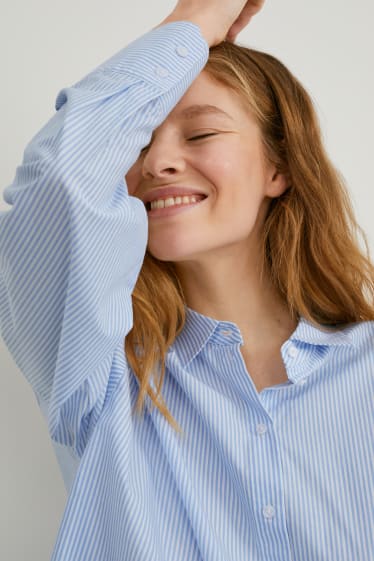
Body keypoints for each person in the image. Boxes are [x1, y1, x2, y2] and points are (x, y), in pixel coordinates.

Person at [1, 1, 373, 559]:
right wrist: (197, 19)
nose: (155, 163)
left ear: (279, 168)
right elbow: (60, 180)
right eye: (141, 140)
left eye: (199, 135)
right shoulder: (98, 375)